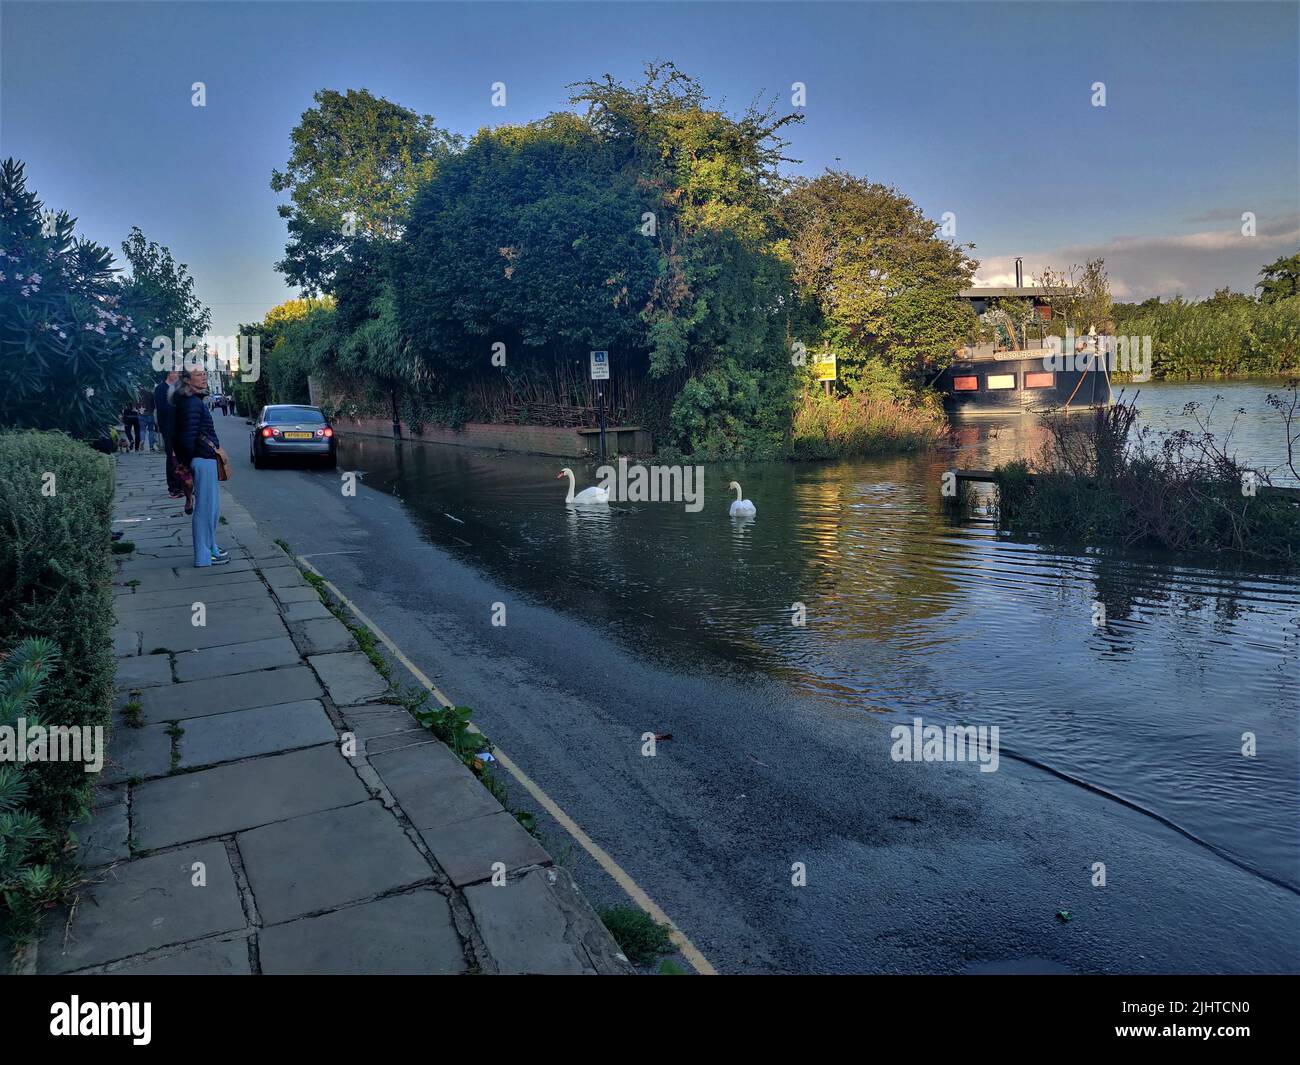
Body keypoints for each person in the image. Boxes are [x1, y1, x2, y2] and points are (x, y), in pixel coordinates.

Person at [171, 367, 229, 568]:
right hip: (202, 459)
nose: (204, 377)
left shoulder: (192, 402)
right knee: (205, 510)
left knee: (211, 509)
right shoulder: (192, 404)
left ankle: (211, 547)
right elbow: (186, 438)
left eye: (204, 373)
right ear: (187, 381)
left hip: (204, 459)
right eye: (198, 375)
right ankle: (203, 556)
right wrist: (187, 464)